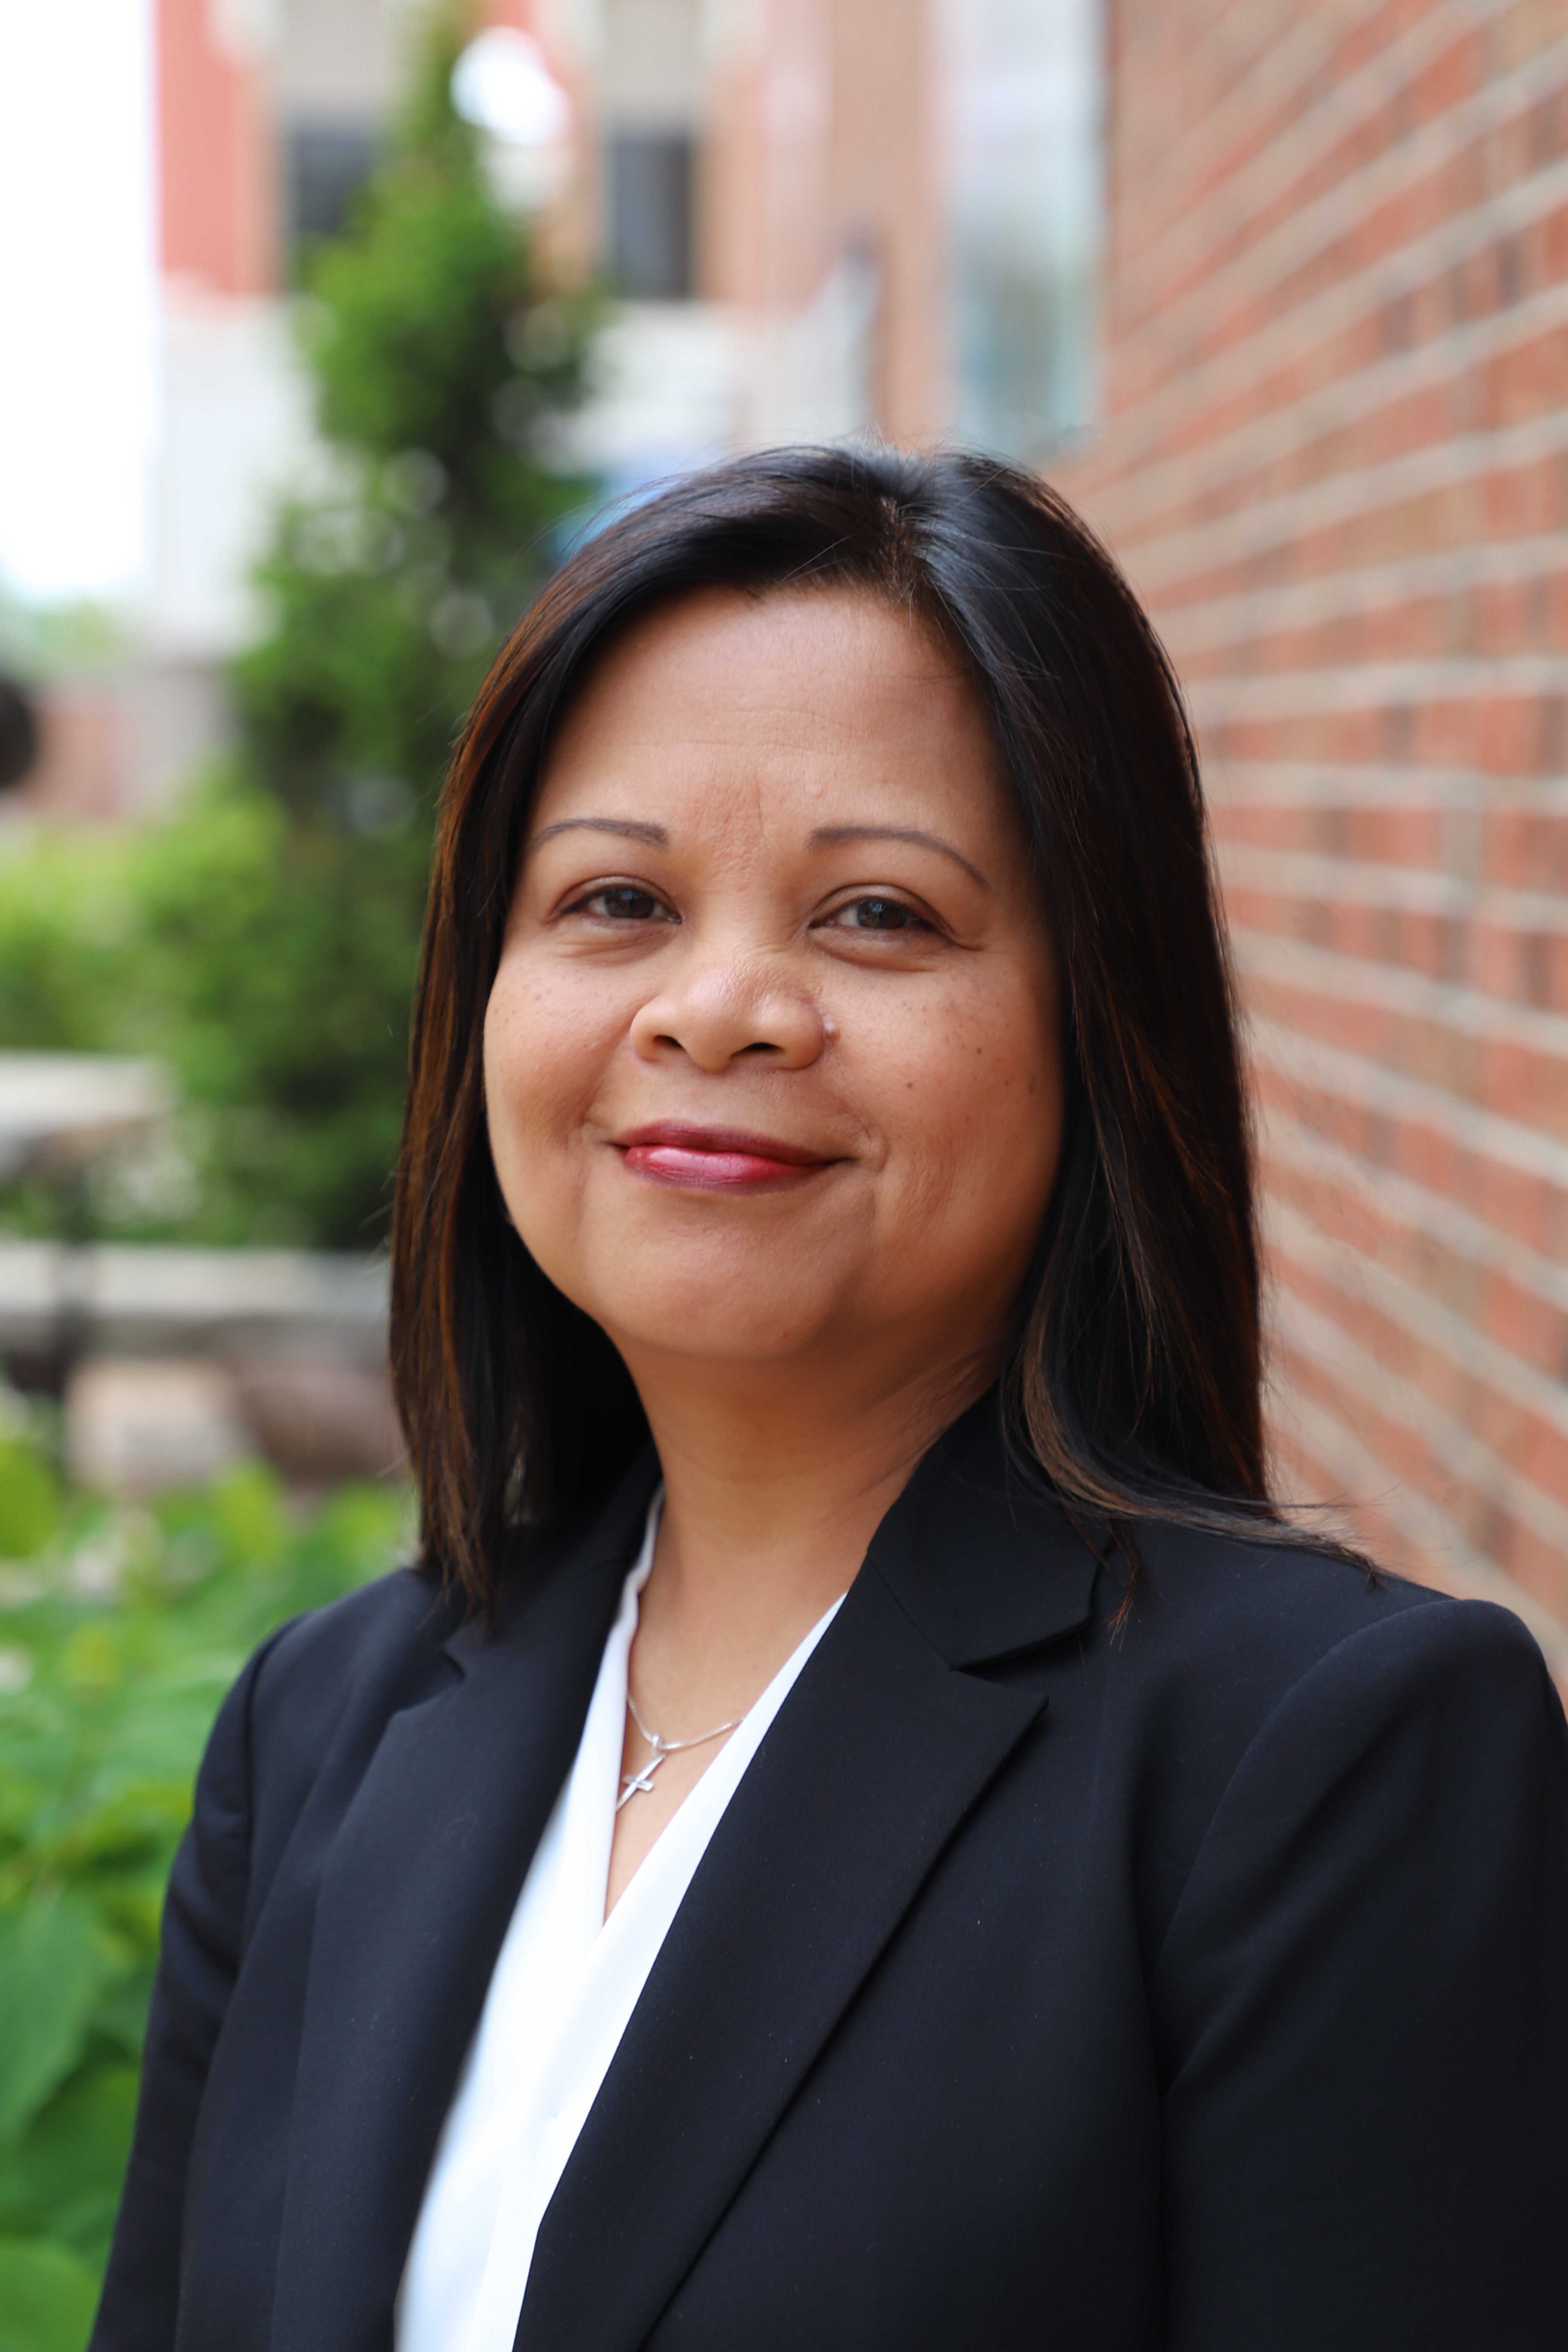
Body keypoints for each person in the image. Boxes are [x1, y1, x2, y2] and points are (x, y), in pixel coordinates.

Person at [90, 449, 1568, 2352]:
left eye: (874, 915)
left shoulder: (1323, 1773)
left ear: (1090, 1021)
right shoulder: (321, 1727)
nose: (718, 1007)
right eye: (614, 898)